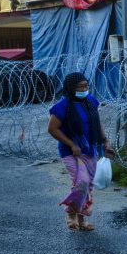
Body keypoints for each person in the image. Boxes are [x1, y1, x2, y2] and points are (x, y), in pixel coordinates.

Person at [47, 72, 114, 231]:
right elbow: (52, 129)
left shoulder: (90, 101)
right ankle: (71, 213)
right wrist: (71, 144)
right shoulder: (62, 107)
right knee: (82, 182)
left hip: (90, 149)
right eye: (80, 87)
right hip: (71, 152)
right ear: (71, 88)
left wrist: (105, 141)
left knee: (86, 186)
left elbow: (97, 123)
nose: (84, 89)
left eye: (86, 86)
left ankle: (81, 220)